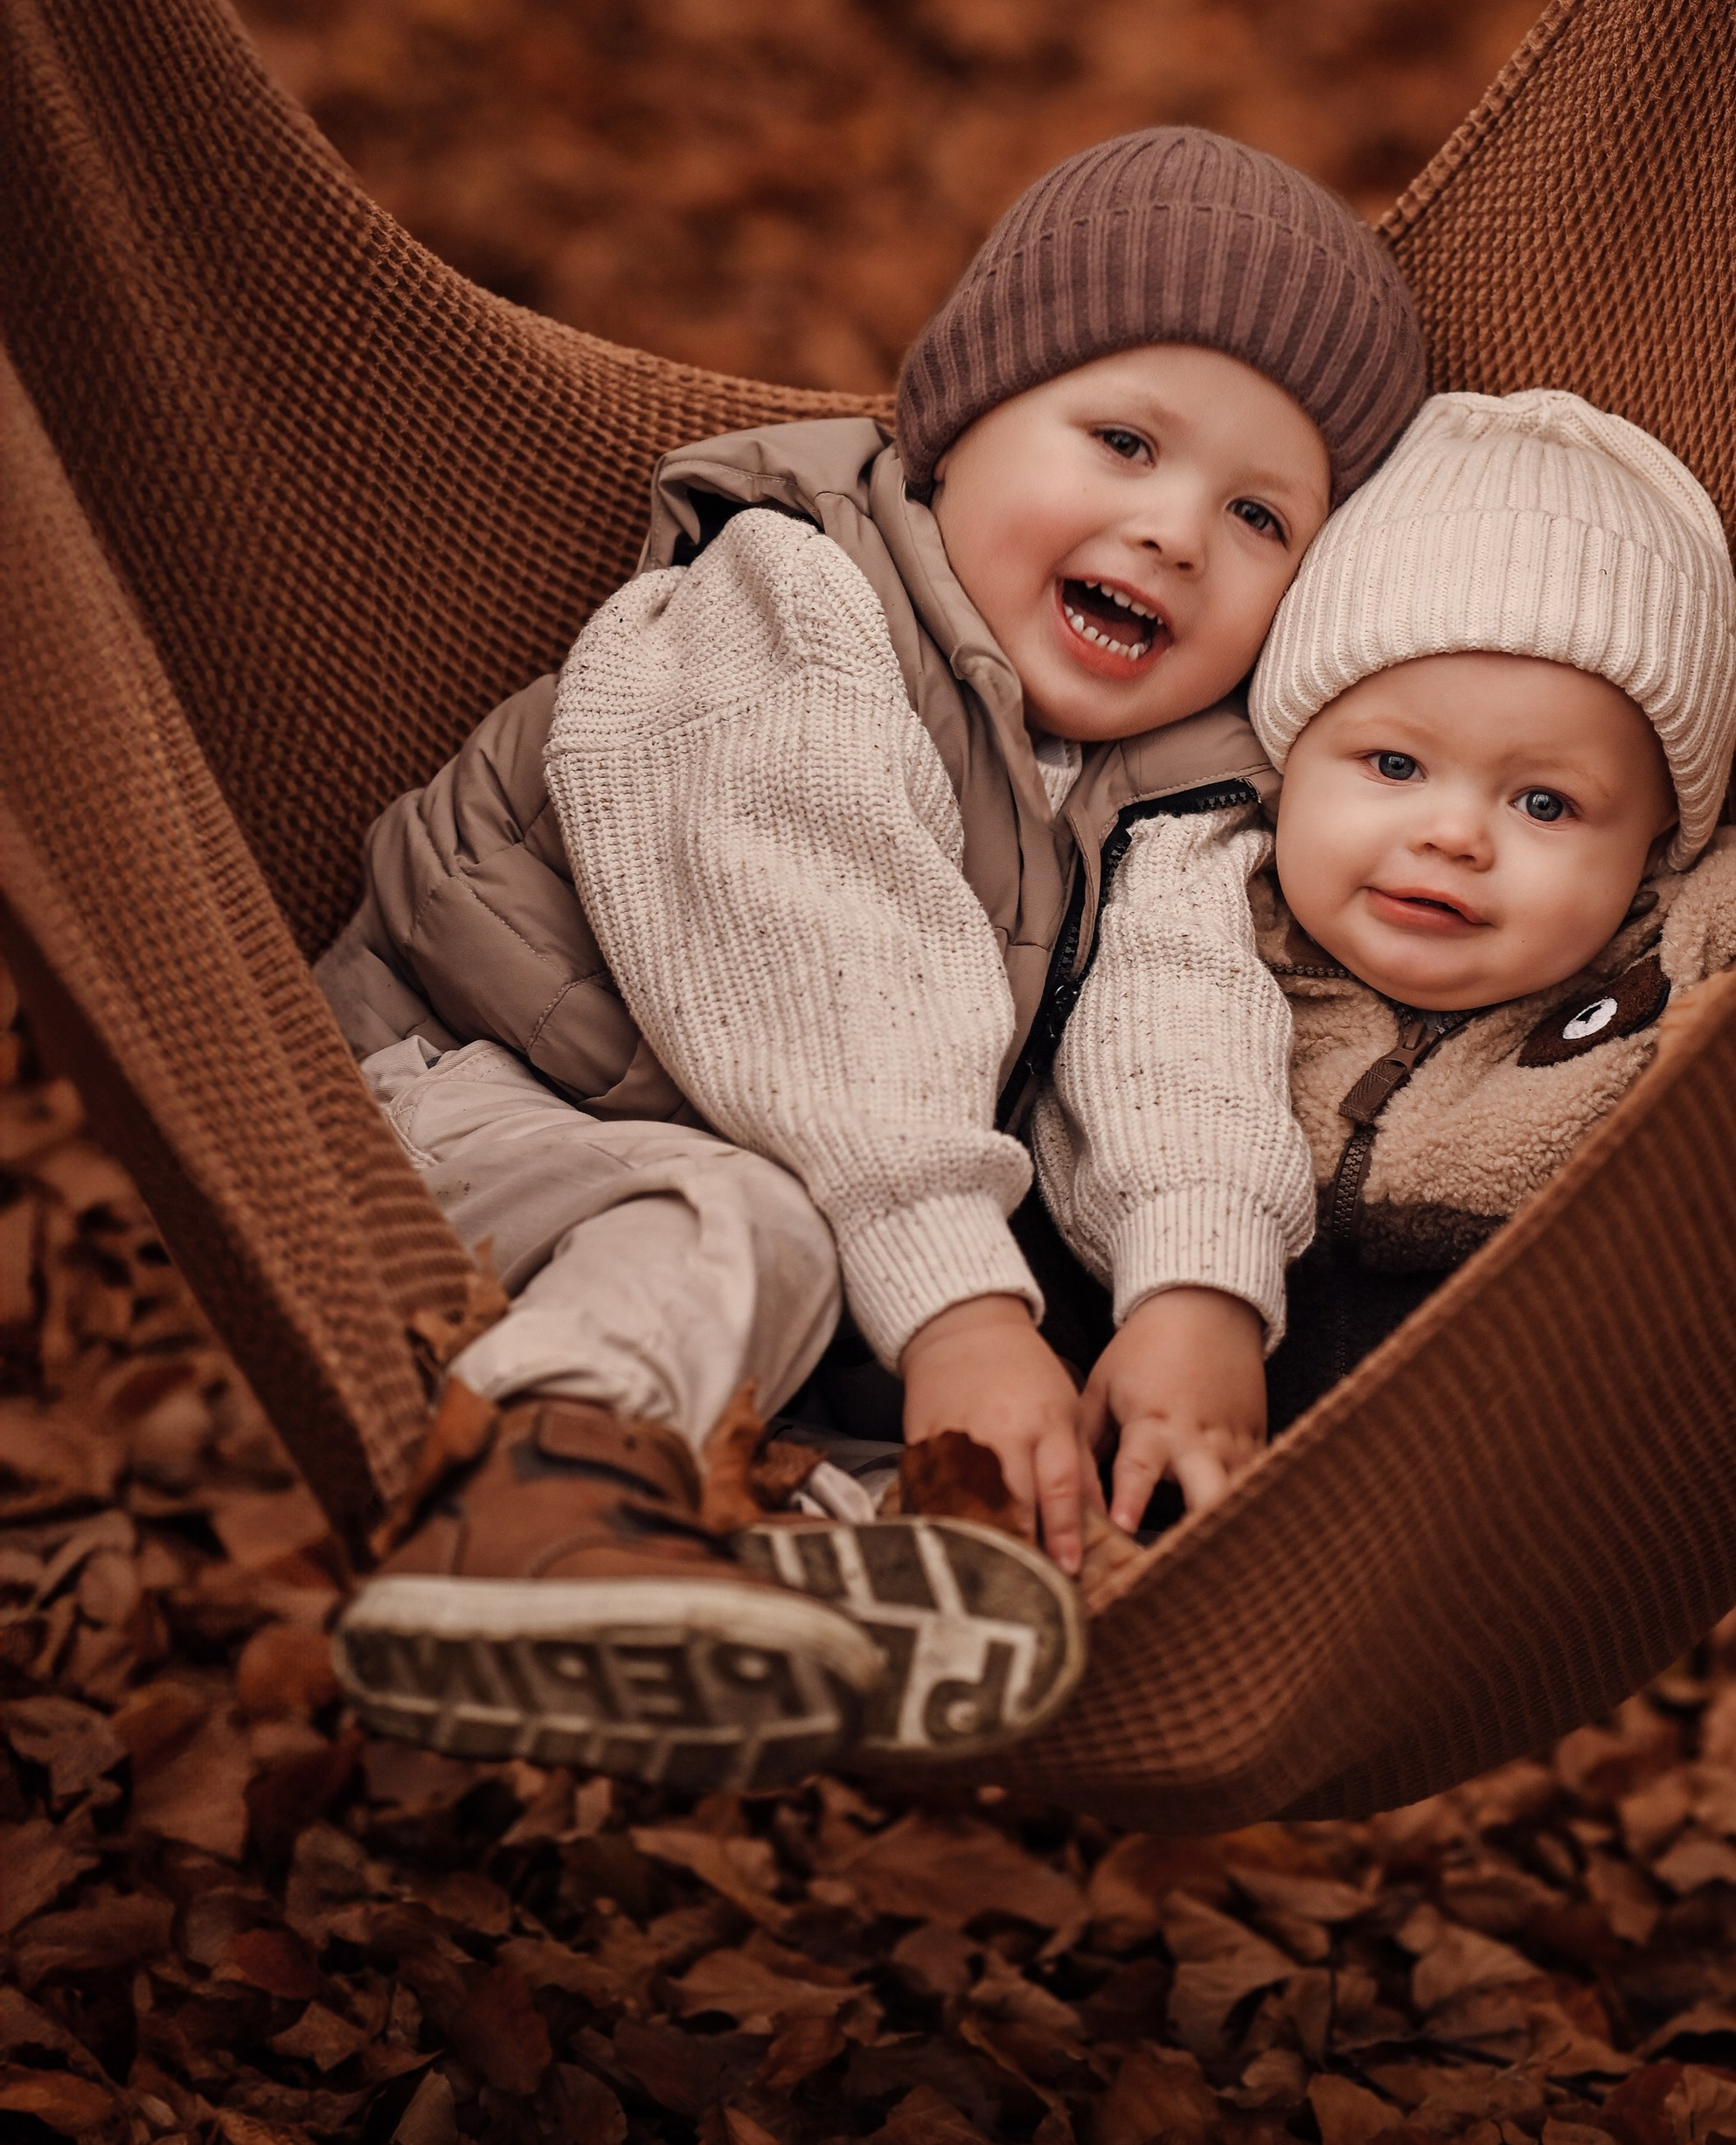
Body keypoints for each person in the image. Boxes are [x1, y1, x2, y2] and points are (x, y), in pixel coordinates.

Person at [322, 125, 1425, 1787]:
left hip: (775, 1199)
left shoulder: (1186, 786)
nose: (1178, 528)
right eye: (1123, 439)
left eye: (1261, 514)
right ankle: (524, 1517)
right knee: (745, 1228)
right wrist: (962, 1301)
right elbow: (813, 946)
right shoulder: (788, 594)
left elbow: (1178, 1019)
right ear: (957, 425)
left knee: (845, 1313)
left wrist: (1198, 1280)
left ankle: (762, 1585)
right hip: (451, 1095)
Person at [1242, 388, 1736, 1402]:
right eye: (1393, 763)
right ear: (1286, 767)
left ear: (1655, 846)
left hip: (1509, 1456)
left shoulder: (1692, 956)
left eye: (1544, 801)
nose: (1453, 834)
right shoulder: (1193, 925)